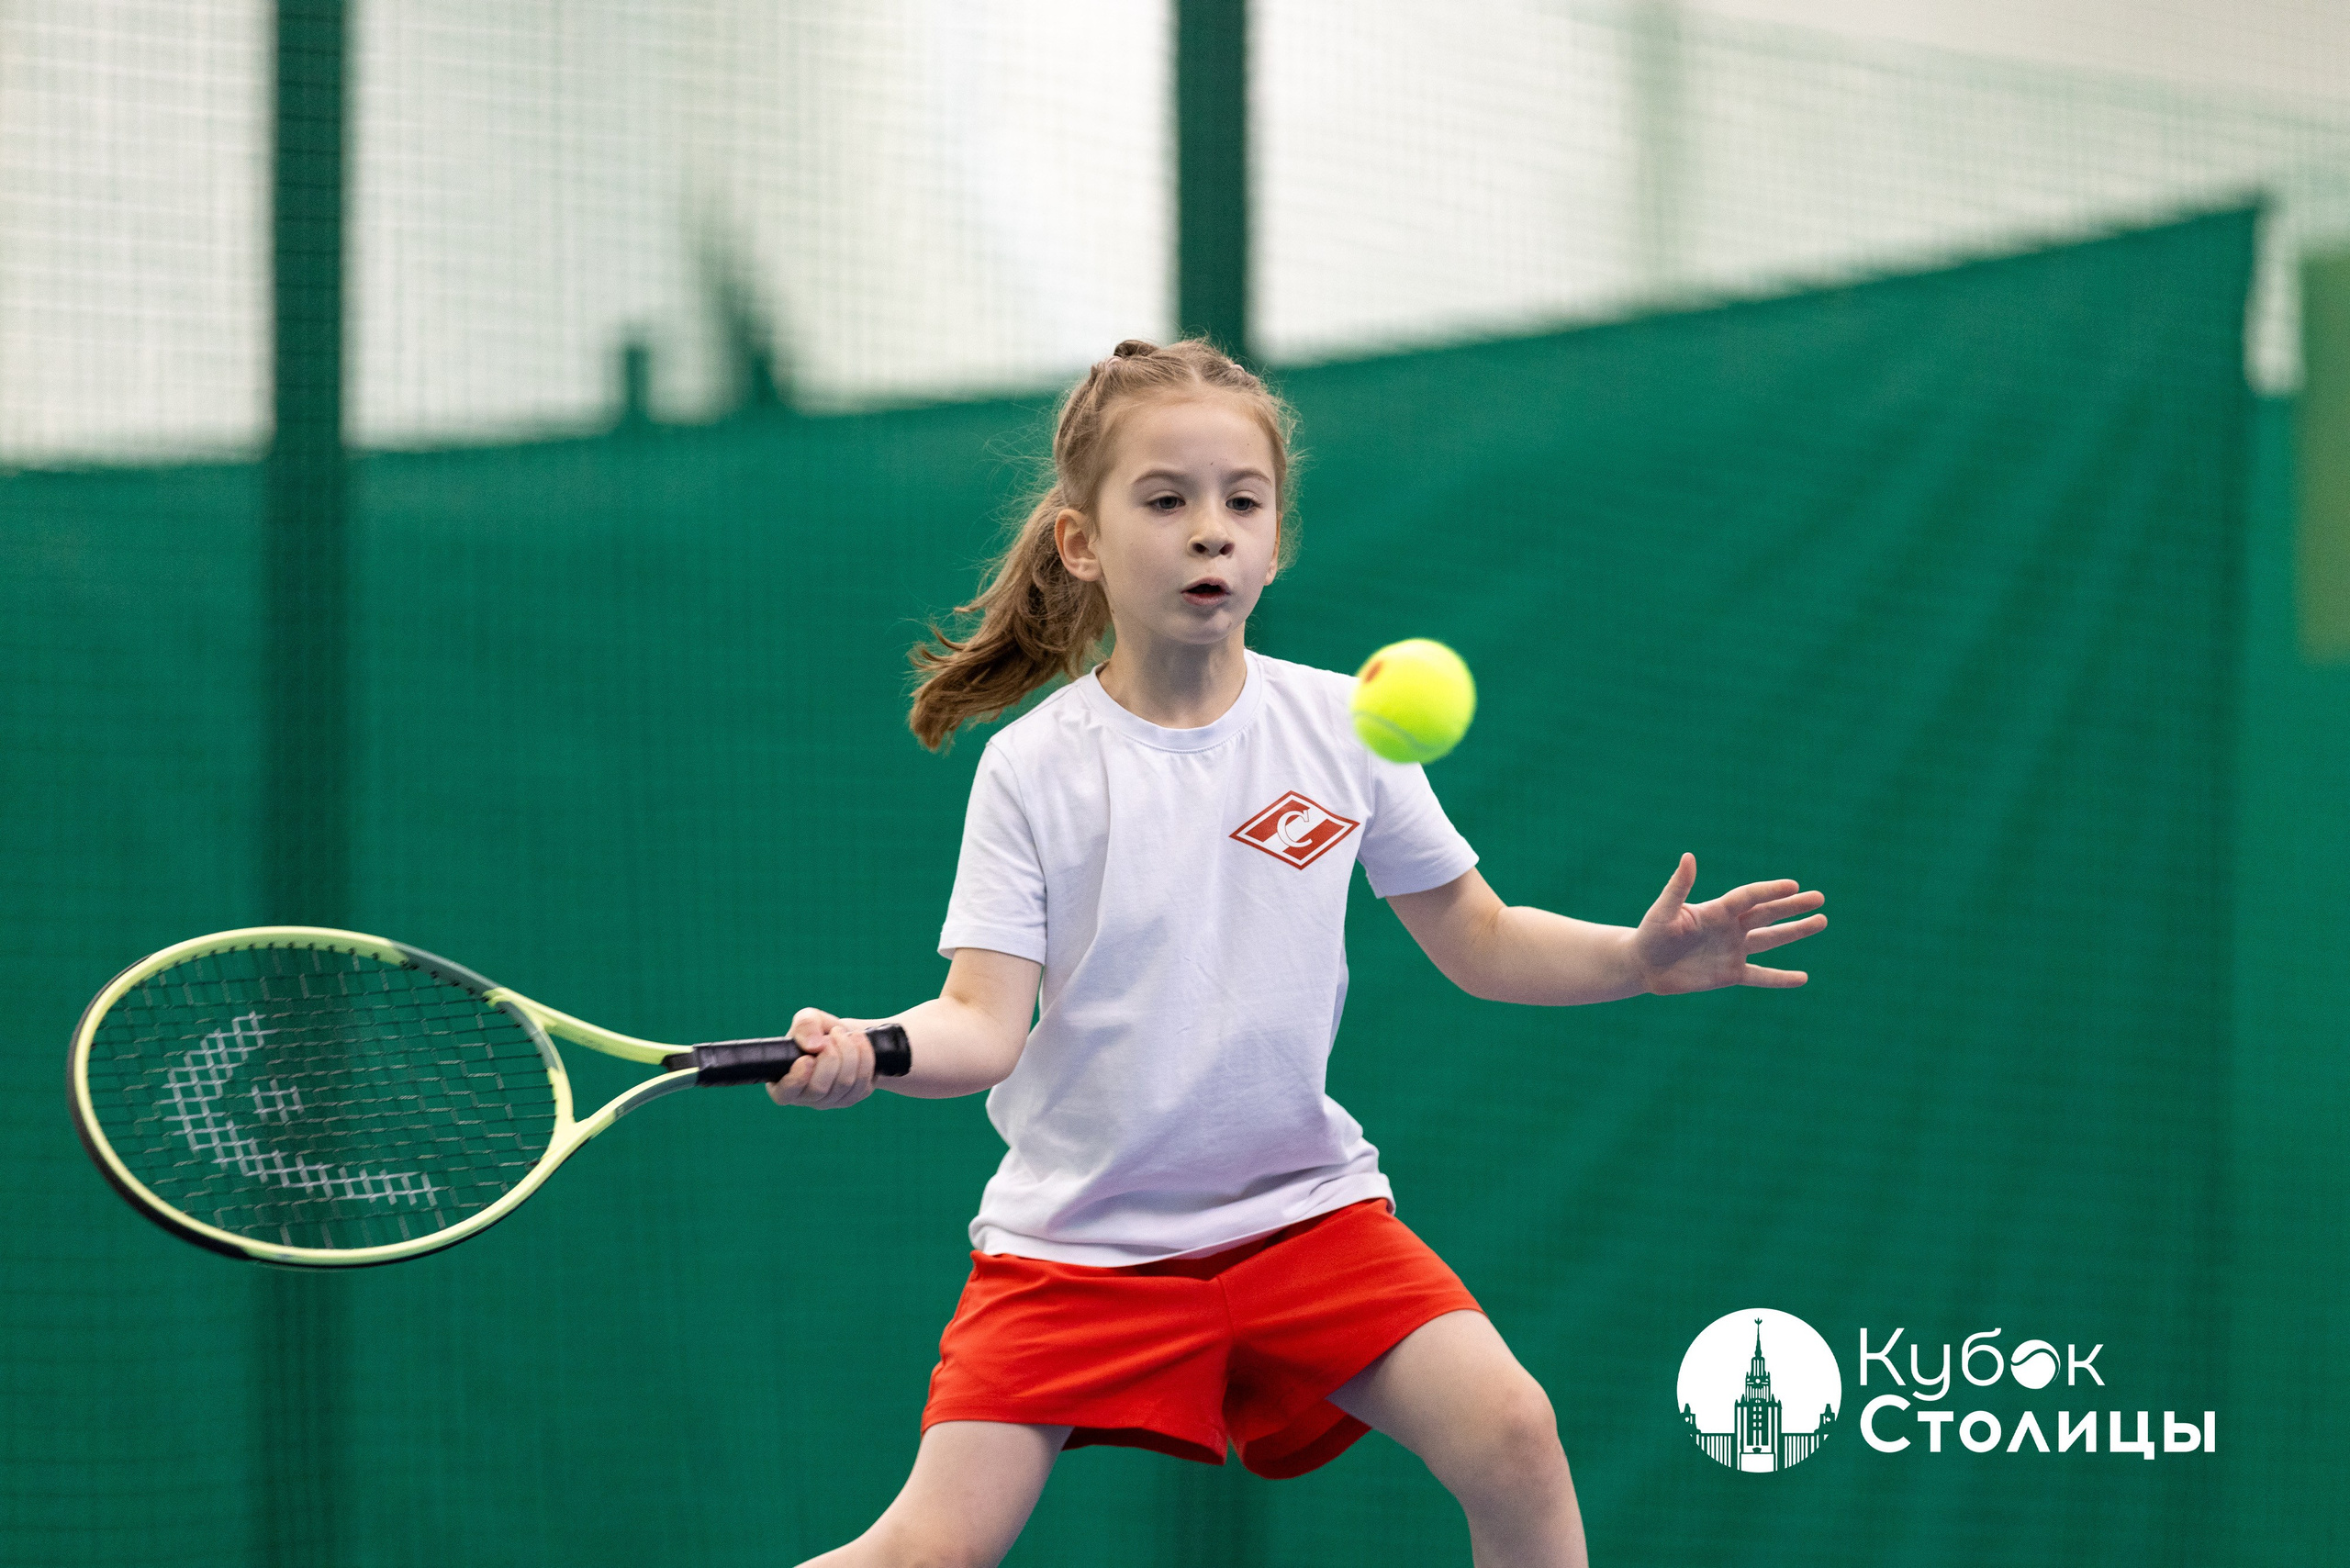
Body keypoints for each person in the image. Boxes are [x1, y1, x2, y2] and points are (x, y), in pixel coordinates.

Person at [773, 338, 1826, 1568]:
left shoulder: (1346, 726)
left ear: (1276, 539)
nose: (1209, 530)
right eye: (1165, 501)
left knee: (1514, 1435)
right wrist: (872, 1048)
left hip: (1302, 1218)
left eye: (1242, 501)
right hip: (1084, 1244)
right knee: (926, 1554)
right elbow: (984, 1025)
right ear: (1082, 542)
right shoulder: (1038, 768)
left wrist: (1634, 962)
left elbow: (1479, 937)